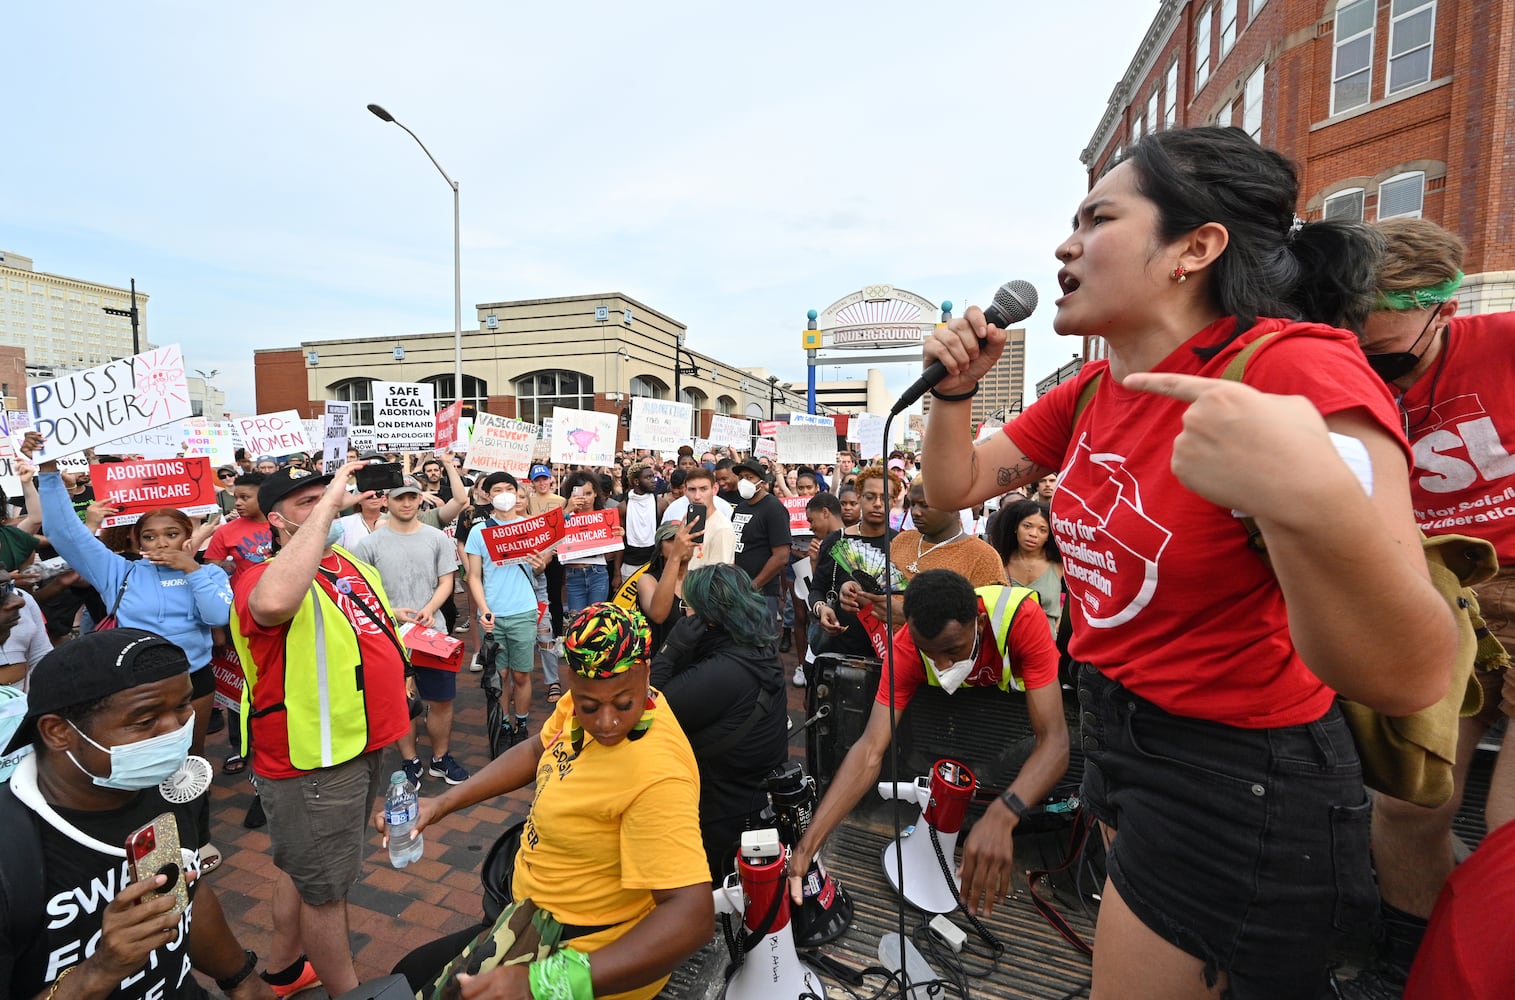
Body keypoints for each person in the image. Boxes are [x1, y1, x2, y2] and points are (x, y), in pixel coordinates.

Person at [919, 126, 1456, 998]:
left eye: (1096, 218)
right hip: (1127, 737)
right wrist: (954, 393)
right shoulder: (1093, 390)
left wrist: (1307, 499)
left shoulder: (1291, 370)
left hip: (1238, 772)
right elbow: (952, 486)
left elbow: (1409, 674)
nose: (1064, 243)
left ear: (1195, 247)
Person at [1345, 216, 1515, 994]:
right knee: (1405, 806)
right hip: (1430, 588)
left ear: (1444, 313)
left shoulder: (1504, 342)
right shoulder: (1338, 371)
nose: (1377, 379)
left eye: (1390, 359)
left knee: (1509, 835)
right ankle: (1413, 964)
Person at [384, 604, 713, 1000]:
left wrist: (542, 984)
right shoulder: (583, 698)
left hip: (583, 953)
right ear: (571, 679)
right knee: (408, 972)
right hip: (526, 915)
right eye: (590, 705)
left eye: (624, 704)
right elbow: (536, 751)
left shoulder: (658, 773)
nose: (606, 721)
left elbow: (691, 917)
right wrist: (442, 804)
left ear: (645, 672)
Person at [0, 628, 275, 1000]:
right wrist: (101, 968)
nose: (175, 731)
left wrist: (242, 979)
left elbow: (187, 893)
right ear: (57, 732)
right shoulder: (12, 851)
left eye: (182, 707)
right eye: (145, 720)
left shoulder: (169, 790)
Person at [231, 463, 411, 998]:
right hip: (312, 758)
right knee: (327, 891)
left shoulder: (349, 564)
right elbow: (273, 604)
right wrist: (333, 501)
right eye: (307, 503)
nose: (326, 507)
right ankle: (348, 992)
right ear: (276, 521)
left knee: (302, 868)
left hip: (357, 743)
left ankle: (284, 970)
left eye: (325, 497)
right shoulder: (259, 576)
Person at [789, 569, 1067, 914]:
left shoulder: (1022, 619)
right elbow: (870, 750)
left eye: (952, 650)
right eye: (929, 653)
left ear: (979, 623)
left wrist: (1004, 813)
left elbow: (1055, 743)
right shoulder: (906, 648)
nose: (941, 664)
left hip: (1017, 742)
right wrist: (806, 847)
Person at [27, 435, 232, 758]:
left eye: (171, 534)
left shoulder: (209, 574)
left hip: (193, 679)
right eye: (150, 537)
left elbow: (217, 617)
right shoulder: (120, 572)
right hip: (135, 682)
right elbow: (65, 533)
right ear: (139, 543)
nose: (160, 543)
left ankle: (193, 807)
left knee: (191, 757)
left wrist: (191, 570)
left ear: (187, 537)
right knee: (143, 758)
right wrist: (49, 469)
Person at [651, 564, 788, 877]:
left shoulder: (723, 673)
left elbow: (648, 710)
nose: (683, 614)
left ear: (707, 619)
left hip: (721, 817)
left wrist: (672, 649)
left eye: (687, 607)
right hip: (748, 798)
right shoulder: (755, 645)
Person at [350, 476, 468, 786]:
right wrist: (392, 612)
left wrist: (430, 608)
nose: (406, 503)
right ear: (386, 500)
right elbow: (362, 594)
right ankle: (409, 760)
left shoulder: (437, 537)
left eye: (412, 497)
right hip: (389, 636)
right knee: (399, 701)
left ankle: (440, 758)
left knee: (442, 699)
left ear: (420, 500)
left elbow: (447, 581)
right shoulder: (368, 545)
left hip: (432, 632)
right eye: (399, 497)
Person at [464, 472, 556, 746]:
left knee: (521, 673)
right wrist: (483, 610)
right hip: (493, 613)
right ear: (487, 495)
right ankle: (503, 722)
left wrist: (540, 564)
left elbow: (539, 568)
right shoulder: (478, 531)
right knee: (499, 674)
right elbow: (474, 576)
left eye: (509, 488)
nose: (504, 494)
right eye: (497, 490)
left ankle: (522, 722)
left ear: (517, 493)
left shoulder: (529, 526)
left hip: (523, 611)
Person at [729, 458, 792, 632]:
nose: (744, 482)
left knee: (761, 645)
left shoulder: (774, 509)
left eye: (749, 477)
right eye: (741, 477)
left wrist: (753, 586)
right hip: (738, 590)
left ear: (762, 482)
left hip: (761, 593)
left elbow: (781, 556)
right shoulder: (741, 507)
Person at [989, 499, 1064, 637]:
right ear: (1016, 527)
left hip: (1045, 647)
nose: (1033, 534)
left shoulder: (1060, 566)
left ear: (1049, 535)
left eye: (1042, 530)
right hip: (1004, 646)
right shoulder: (997, 562)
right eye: (1027, 526)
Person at [620, 463, 660, 579]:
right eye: (648, 477)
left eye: (653, 476)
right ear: (636, 482)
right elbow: (619, 540)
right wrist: (617, 572)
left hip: (653, 564)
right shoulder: (623, 507)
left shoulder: (661, 504)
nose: (653, 480)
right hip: (630, 564)